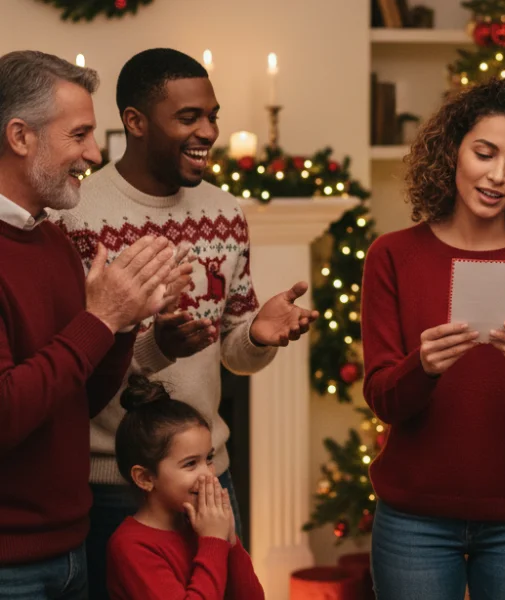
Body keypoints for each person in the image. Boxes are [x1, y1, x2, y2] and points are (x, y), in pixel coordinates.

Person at [56, 48, 318, 599]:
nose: (209, 131)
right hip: (111, 483)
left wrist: (257, 336)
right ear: (135, 122)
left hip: (208, 480)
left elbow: (234, 351)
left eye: (213, 115)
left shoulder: (226, 211)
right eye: (189, 117)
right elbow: (66, 356)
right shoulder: (75, 213)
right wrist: (155, 346)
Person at [361, 77, 505, 600]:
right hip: (414, 520)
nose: (497, 176)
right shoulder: (392, 255)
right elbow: (382, 399)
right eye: (484, 153)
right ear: (453, 151)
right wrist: (423, 364)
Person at [0, 50, 189, 598]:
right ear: (20, 137)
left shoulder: (54, 240)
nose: (94, 153)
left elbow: (78, 399)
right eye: (79, 134)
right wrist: (102, 316)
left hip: (70, 547)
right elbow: (7, 414)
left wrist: (124, 321)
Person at [105, 374, 264, 599]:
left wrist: (230, 540)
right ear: (145, 478)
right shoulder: (131, 547)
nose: (208, 474)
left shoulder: (202, 525)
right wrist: (214, 542)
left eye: (208, 458)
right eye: (190, 464)